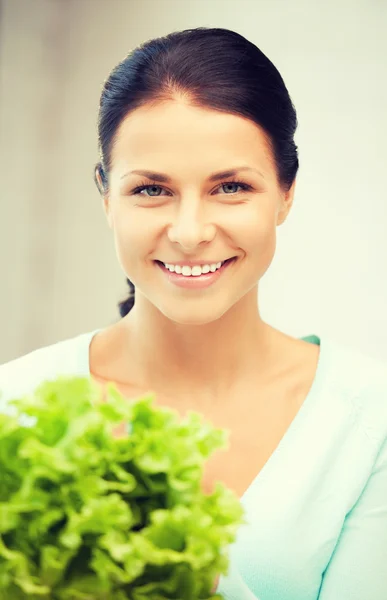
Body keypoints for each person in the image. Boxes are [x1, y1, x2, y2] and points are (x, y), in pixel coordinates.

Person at [1, 26, 386, 600]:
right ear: (106, 196)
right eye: (151, 190)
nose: (189, 232)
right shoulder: (14, 405)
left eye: (230, 187)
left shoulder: (369, 420)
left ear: (286, 191)